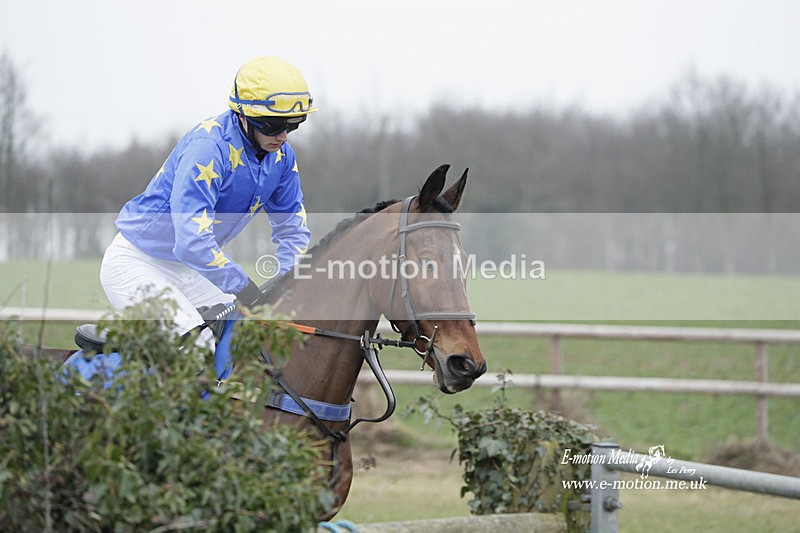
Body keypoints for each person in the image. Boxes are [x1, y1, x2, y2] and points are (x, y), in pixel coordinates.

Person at [100, 56, 314, 349]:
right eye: (272, 125)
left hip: (192, 271)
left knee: (249, 344)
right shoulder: (207, 149)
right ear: (242, 115)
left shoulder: (283, 157)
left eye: (292, 125)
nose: (282, 136)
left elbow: (292, 230)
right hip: (138, 264)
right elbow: (192, 241)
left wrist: (290, 285)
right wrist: (244, 287)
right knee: (198, 348)